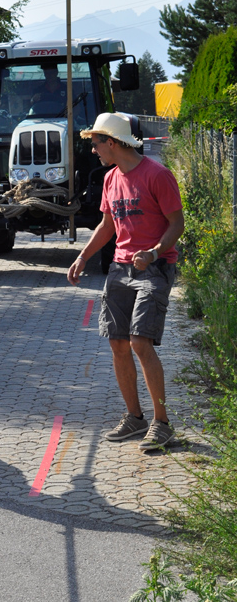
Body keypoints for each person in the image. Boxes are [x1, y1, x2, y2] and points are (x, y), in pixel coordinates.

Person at [67, 113, 184, 452]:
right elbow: (107, 226)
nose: (93, 150)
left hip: (155, 268)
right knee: (118, 344)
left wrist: (155, 251)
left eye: (96, 143)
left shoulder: (158, 175)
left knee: (139, 343)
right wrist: (83, 257)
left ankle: (162, 424)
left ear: (112, 142)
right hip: (120, 269)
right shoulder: (110, 178)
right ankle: (135, 418)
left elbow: (177, 223)